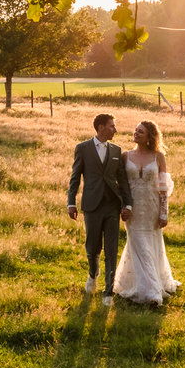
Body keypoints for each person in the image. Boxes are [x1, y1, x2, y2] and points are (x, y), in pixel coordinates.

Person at [67, 113, 132, 306]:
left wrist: (127, 204)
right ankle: (92, 273)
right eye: (112, 126)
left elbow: (123, 181)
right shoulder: (83, 148)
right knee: (92, 247)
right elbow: (75, 177)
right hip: (92, 205)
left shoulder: (116, 150)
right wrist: (71, 202)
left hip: (112, 206)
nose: (115, 130)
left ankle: (108, 292)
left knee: (111, 248)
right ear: (101, 127)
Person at [114, 120, 180, 305]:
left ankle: (147, 281)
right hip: (133, 209)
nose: (136, 133)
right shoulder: (126, 156)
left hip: (151, 207)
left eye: (140, 131)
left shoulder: (158, 156)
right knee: (139, 245)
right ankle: (151, 292)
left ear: (149, 136)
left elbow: (163, 187)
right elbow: (122, 185)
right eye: (135, 130)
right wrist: (123, 206)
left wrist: (164, 212)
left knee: (152, 244)